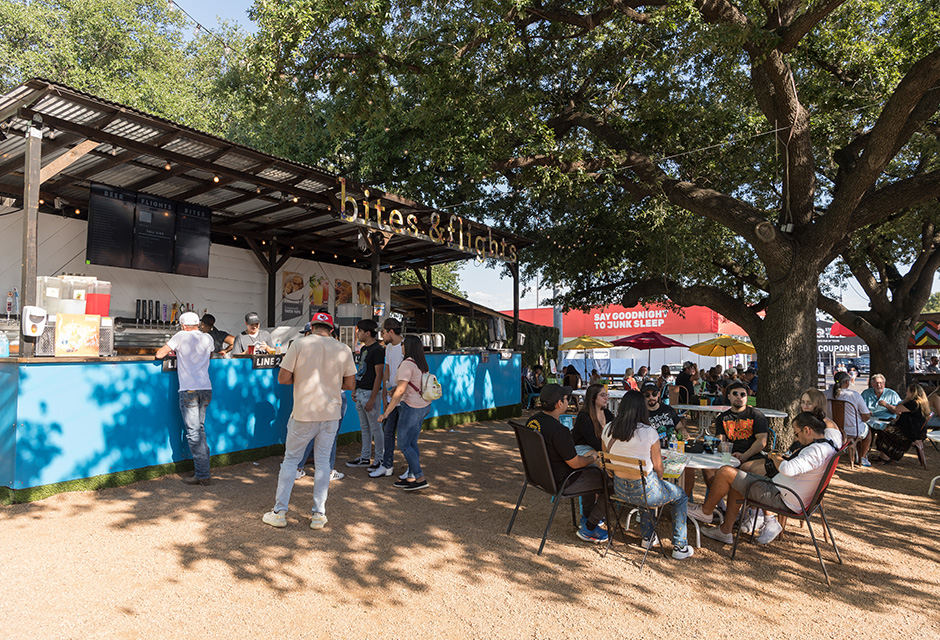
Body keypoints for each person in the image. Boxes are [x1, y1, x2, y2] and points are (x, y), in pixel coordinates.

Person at [262, 312, 356, 529]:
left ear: (312, 327)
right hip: (331, 413)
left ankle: (279, 512)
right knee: (323, 464)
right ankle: (318, 515)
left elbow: (283, 378)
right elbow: (350, 384)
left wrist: (302, 379)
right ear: (331, 329)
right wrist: (330, 384)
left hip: (304, 412)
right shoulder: (343, 349)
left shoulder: (299, 344)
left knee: (290, 461)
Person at [689, 412, 839, 545]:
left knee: (725, 472)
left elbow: (788, 469)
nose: (796, 438)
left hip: (781, 497)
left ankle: (706, 511)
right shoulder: (828, 445)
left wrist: (776, 457)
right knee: (738, 479)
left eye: (797, 434)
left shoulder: (816, 450)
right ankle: (725, 530)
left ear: (807, 430)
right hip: (786, 494)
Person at [602, 390, 693, 559]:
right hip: (645, 491)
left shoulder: (608, 428)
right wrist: (659, 480)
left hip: (620, 490)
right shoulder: (649, 432)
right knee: (679, 496)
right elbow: (659, 468)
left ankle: (648, 536)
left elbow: (607, 463)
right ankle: (680, 546)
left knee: (647, 489)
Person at [523, 384, 608, 543]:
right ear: (559, 404)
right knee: (608, 480)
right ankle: (590, 527)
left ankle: (587, 516)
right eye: (567, 399)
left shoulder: (532, 421)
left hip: (539, 476)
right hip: (563, 480)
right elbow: (575, 463)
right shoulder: (559, 430)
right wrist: (592, 458)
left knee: (591, 472)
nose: (569, 401)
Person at [156, 312, 215, 486]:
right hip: (206, 388)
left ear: (183, 326)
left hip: (189, 389)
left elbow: (160, 354)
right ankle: (204, 471)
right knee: (200, 430)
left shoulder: (180, 336)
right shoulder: (208, 338)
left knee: (194, 433)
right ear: (198, 324)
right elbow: (209, 356)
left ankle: (203, 475)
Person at [379, 335, 434, 491]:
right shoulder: (421, 364)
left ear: (408, 347)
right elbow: (412, 383)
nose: (401, 347)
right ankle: (411, 476)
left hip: (411, 407)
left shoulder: (406, 364)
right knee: (411, 442)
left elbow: (401, 390)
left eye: (403, 345)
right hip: (423, 405)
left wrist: (386, 413)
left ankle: (420, 477)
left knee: (403, 443)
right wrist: (396, 389)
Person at [345, 319, 386, 470]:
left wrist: (373, 398)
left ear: (367, 333)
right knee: (364, 427)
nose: (358, 333)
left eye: (360, 331)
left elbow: (378, 375)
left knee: (375, 427)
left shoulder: (377, 350)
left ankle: (380, 459)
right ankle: (365, 457)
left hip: (370, 394)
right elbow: (361, 371)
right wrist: (355, 388)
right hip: (361, 392)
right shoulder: (363, 349)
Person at [371, 317, 405, 478]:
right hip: (391, 396)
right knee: (388, 431)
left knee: (405, 435)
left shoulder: (406, 347)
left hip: (404, 398)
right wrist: (384, 393)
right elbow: (387, 370)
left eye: (383, 332)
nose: (382, 336)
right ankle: (387, 465)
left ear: (391, 331)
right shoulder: (389, 347)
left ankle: (412, 468)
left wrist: (397, 389)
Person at [870, 384, 930, 463]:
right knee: (887, 428)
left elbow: (897, 409)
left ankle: (886, 457)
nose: (906, 393)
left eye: (908, 391)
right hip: (917, 431)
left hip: (910, 433)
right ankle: (886, 455)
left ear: (912, 393)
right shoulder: (922, 403)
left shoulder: (914, 403)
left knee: (883, 430)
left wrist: (887, 404)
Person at [825, 370, 872, 466]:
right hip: (852, 430)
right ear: (847, 382)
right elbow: (866, 416)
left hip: (832, 429)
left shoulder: (825, 394)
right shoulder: (854, 395)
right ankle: (862, 457)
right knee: (868, 432)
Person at [573, 384, 613, 455]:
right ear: (592, 398)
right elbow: (593, 442)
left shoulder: (607, 413)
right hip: (582, 449)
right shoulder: (584, 417)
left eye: (607, 395)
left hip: (600, 448)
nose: (606, 398)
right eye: (602, 395)